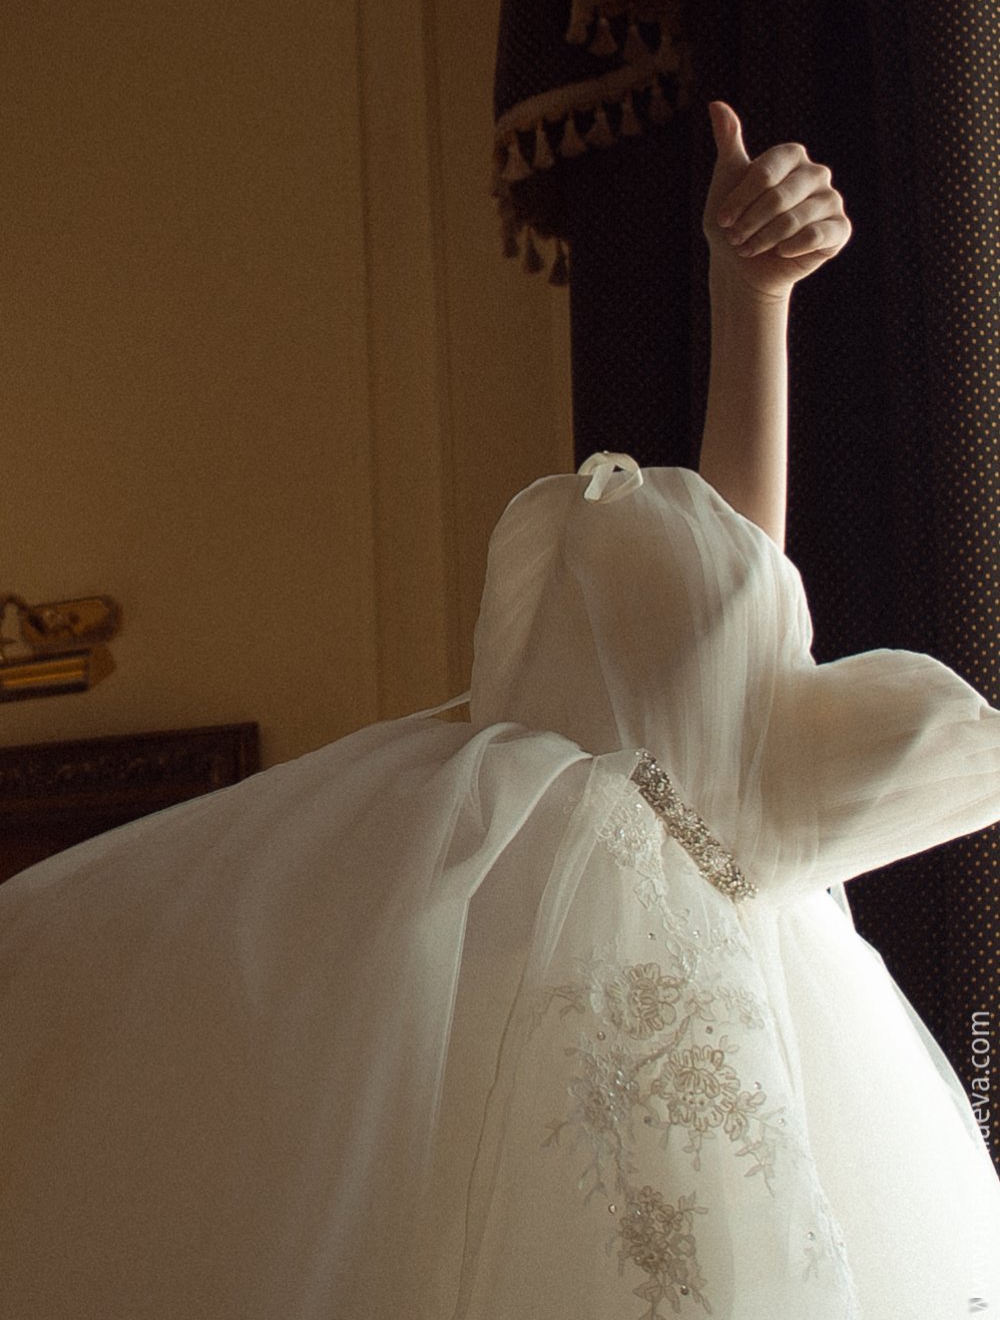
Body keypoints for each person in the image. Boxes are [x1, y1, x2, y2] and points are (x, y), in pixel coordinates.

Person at [1, 103, 998, 1320]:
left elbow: (724, 601)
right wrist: (751, 303)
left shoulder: (546, 835)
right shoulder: (489, 847)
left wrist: (753, 301)